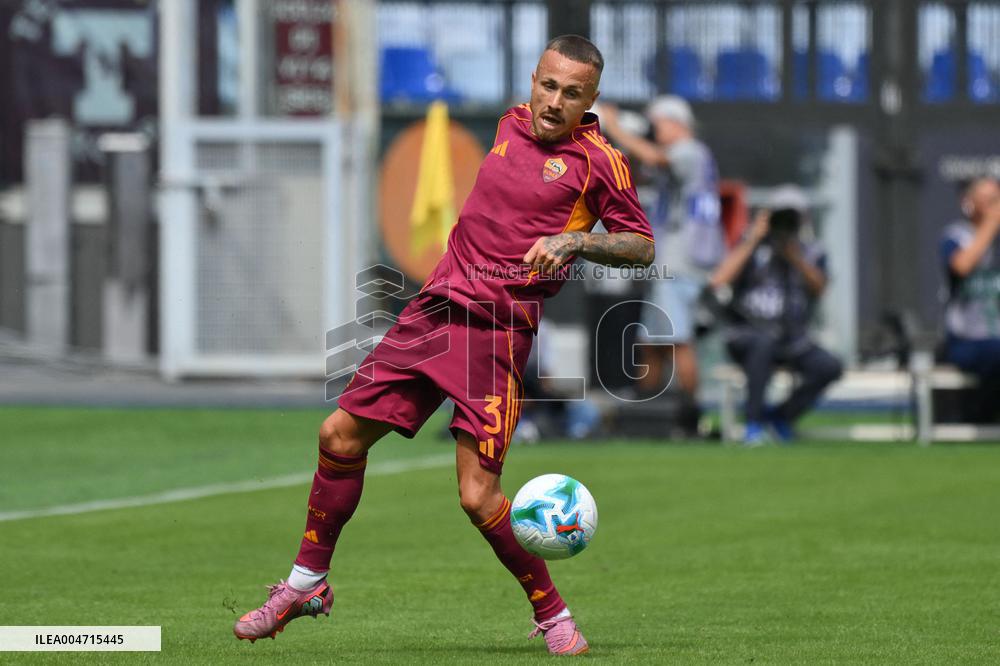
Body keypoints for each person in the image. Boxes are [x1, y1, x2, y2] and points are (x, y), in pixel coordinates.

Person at [233, 35, 654, 655]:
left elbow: (641, 246)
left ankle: (553, 614)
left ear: (591, 100)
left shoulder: (600, 163)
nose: (554, 101)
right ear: (532, 81)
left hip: (495, 332)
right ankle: (306, 583)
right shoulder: (509, 124)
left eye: (571, 93)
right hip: (432, 313)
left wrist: (577, 243)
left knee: (476, 495)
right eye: (547, 85)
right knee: (336, 437)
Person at [599, 96, 723, 424]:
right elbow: (642, 171)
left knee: (677, 338)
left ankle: (691, 417)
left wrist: (614, 128)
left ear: (675, 122)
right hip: (674, 261)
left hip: (680, 262)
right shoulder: (690, 156)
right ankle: (644, 417)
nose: (655, 132)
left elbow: (656, 158)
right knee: (651, 341)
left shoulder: (689, 151)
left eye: (659, 124)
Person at [709, 185, 842, 445]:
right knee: (763, 343)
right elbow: (719, 280)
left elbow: (820, 288)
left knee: (829, 366)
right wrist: (754, 239)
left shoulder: (811, 251)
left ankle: (779, 417)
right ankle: (753, 424)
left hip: (792, 338)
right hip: (747, 334)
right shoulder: (751, 245)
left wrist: (795, 258)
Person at [939, 177, 1000, 423]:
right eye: (989, 200)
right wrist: (990, 225)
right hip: (967, 340)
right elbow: (962, 266)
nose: (995, 206)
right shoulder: (956, 235)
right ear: (970, 203)